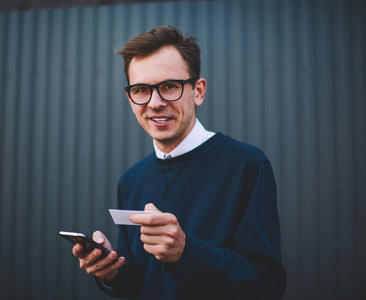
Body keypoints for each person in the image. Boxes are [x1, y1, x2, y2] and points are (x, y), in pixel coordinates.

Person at [72, 26, 286, 299]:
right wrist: (112, 273)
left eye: (169, 86)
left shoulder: (247, 165)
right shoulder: (131, 180)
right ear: (130, 98)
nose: (155, 102)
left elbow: (266, 285)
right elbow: (140, 283)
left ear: (198, 91)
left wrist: (185, 253)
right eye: (141, 90)